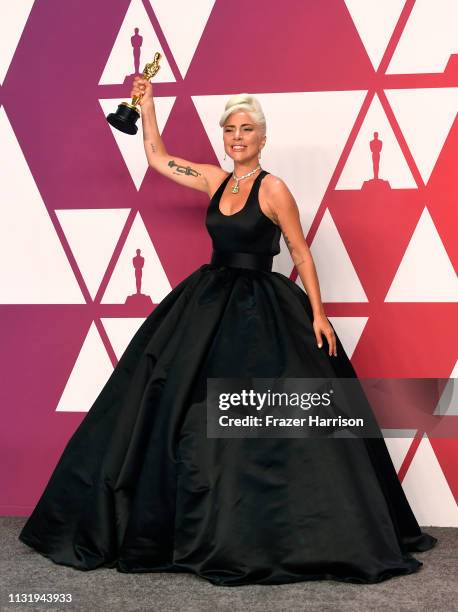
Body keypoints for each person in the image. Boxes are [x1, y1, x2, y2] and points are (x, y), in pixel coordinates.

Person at [18, 76, 437, 587]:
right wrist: (148, 107)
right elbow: (156, 157)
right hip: (206, 302)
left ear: (263, 137)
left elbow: (299, 251)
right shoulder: (216, 181)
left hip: (262, 308)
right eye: (231, 130)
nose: (238, 137)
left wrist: (319, 314)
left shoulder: (274, 188)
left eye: (247, 129)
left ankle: (262, 528)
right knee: (174, 406)